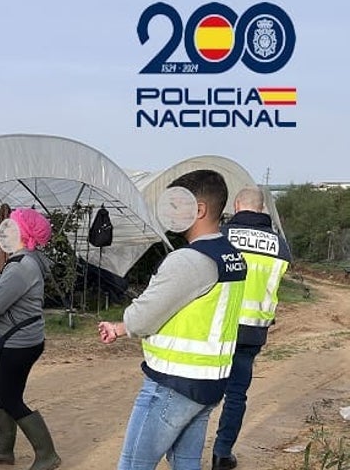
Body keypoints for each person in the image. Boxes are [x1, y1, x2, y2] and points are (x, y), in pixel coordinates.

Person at [98, 170, 247, 470]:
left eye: (178, 205)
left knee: (132, 465)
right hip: (209, 383)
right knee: (185, 463)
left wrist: (125, 322)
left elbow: (143, 317)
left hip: (172, 384)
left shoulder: (189, 260)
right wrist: (121, 327)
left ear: (200, 210)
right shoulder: (232, 256)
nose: (172, 212)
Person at [0, 208, 61, 470]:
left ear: (24, 234)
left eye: (12, 227)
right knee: (1, 390)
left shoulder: (21, 266)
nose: (5, 231)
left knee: (10, 396)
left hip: (20, 343)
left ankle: (47, 455)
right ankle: (2, 450)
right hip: (19, 339)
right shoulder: (24, 261)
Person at [211, 187, 291, 470]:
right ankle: (222, 454)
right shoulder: (279, 245)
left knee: (201, 389)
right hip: (252, 332)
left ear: (236, 205)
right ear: (262, 210)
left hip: (217, 326)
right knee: (236, 394)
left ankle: (185, 452)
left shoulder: (221, 235)